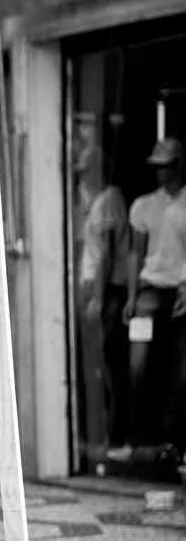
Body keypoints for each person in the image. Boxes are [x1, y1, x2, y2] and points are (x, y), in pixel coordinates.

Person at [114, 137, 185, 462]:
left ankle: (172, 441)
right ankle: (135, 439)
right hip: (148, 291)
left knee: (179, 370)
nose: (160, 172)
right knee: (138, 368)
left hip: (181, 291)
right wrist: (130, 296)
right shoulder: (143, 205)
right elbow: (134, 253)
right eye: (157, 166)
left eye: (165, 166)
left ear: (178, 165)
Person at [75, 145, 131, 453]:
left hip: (106, 291)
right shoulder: (98, 200)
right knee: (101, 362)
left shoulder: (108, 199)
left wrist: (96, 296)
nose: (82, 177)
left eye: (85, 170)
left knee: (109, 364)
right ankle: (106, 435)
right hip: (98, 289)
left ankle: (115, 436)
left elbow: (107, 252)